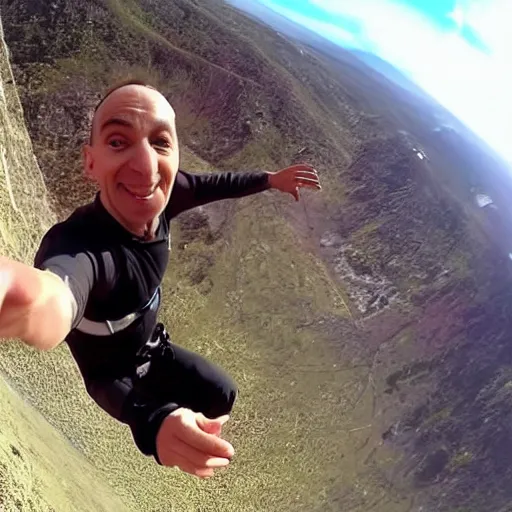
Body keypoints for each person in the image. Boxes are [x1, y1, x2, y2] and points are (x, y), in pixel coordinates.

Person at [0, 80, 321, 478]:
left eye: (160, 142)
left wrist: (270, 179)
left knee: (223, 396)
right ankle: (165, 419)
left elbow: (218, 184)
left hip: (153, 345)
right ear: (90, 162)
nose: (146, 167)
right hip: (113, 374)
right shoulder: (80, 246)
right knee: (163, 417)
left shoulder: (168, 196)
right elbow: (54, 292)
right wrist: (16, 295)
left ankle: (181, 419)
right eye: (118, 142)